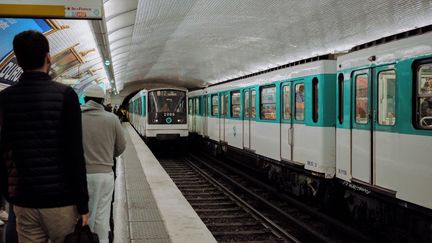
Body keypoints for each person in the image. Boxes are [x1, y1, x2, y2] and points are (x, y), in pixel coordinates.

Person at [0, 30, 89, 243]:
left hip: (24, 200)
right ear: (48, 57)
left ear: (18, 61)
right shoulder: (66, 96)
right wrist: (83, 204)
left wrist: (9, 195)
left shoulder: (4, 99)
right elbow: (75, 154)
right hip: (61, 202)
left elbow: (1, 151)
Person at [81, 84, 126, 243]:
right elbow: (121, 146)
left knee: (84, 214)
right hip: (105, 174)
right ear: (101, 101)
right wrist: (108, 156)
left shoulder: (75, 117)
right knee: (102, 215)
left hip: (81, 175)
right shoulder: (112, 119)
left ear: (85, 99)